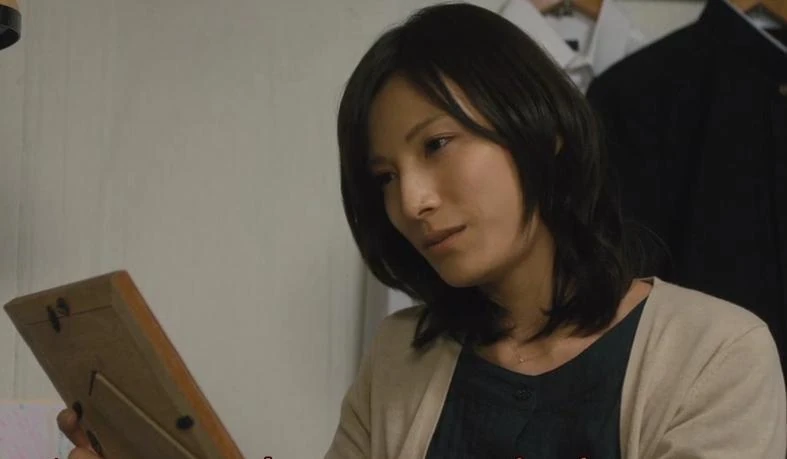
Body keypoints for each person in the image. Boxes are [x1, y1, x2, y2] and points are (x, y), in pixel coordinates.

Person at [57, 3, 786, 458]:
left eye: (437, 144)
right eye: (382, 176)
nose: (410, 200)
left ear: (546, 132)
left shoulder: (715, 354)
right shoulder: (401, 357)